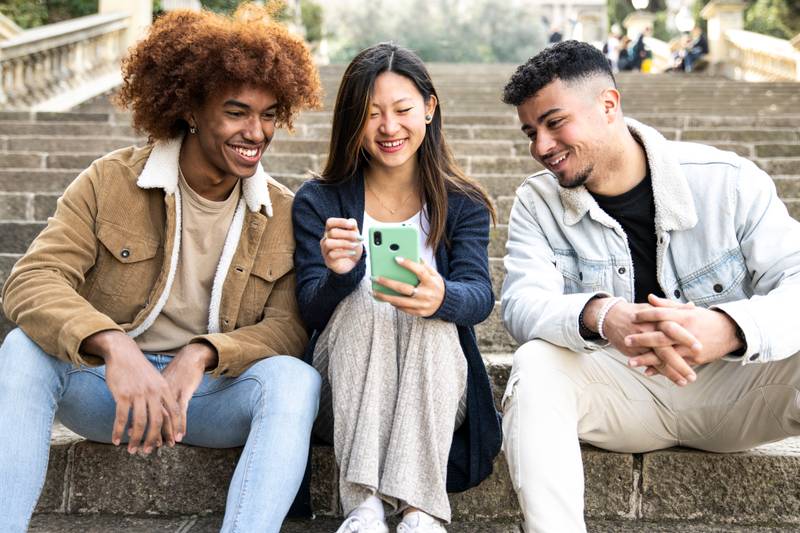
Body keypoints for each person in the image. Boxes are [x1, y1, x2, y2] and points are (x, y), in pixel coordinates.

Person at [0, 5, 323, 532]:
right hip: (109, 390)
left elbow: (288, 326)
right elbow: (32, 280)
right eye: (237, 112)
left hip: (208, 398)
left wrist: (201, 354)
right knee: (21, 350)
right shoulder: (109, 182)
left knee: (296, 380)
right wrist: (112, 345)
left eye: (269, 115)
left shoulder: (283, 211)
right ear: (192, 110)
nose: (257, 132)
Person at [499, 40, 800, 532]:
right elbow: (521, 303)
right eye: (531, 132)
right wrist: (604, 316)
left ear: (608, 105)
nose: (541, 147)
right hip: (621, 395)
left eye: (555, 123)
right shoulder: (537, 202)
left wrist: (728, 328)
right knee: (535, 363)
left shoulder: (727, 181)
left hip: (741, 392)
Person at [292, 43, 502, 533]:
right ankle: (363, 505)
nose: (389, 128)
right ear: (352, 122)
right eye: (371, 115)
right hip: (340, 396)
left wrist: (441, 297)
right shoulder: (318, 200)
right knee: (365, 295)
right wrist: (340, 272)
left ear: (429, 109)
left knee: (428, 312)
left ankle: (418, 511)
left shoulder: (462, 203)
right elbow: (308, 309)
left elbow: (480, 295)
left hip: (434, 392)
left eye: (403, 110)